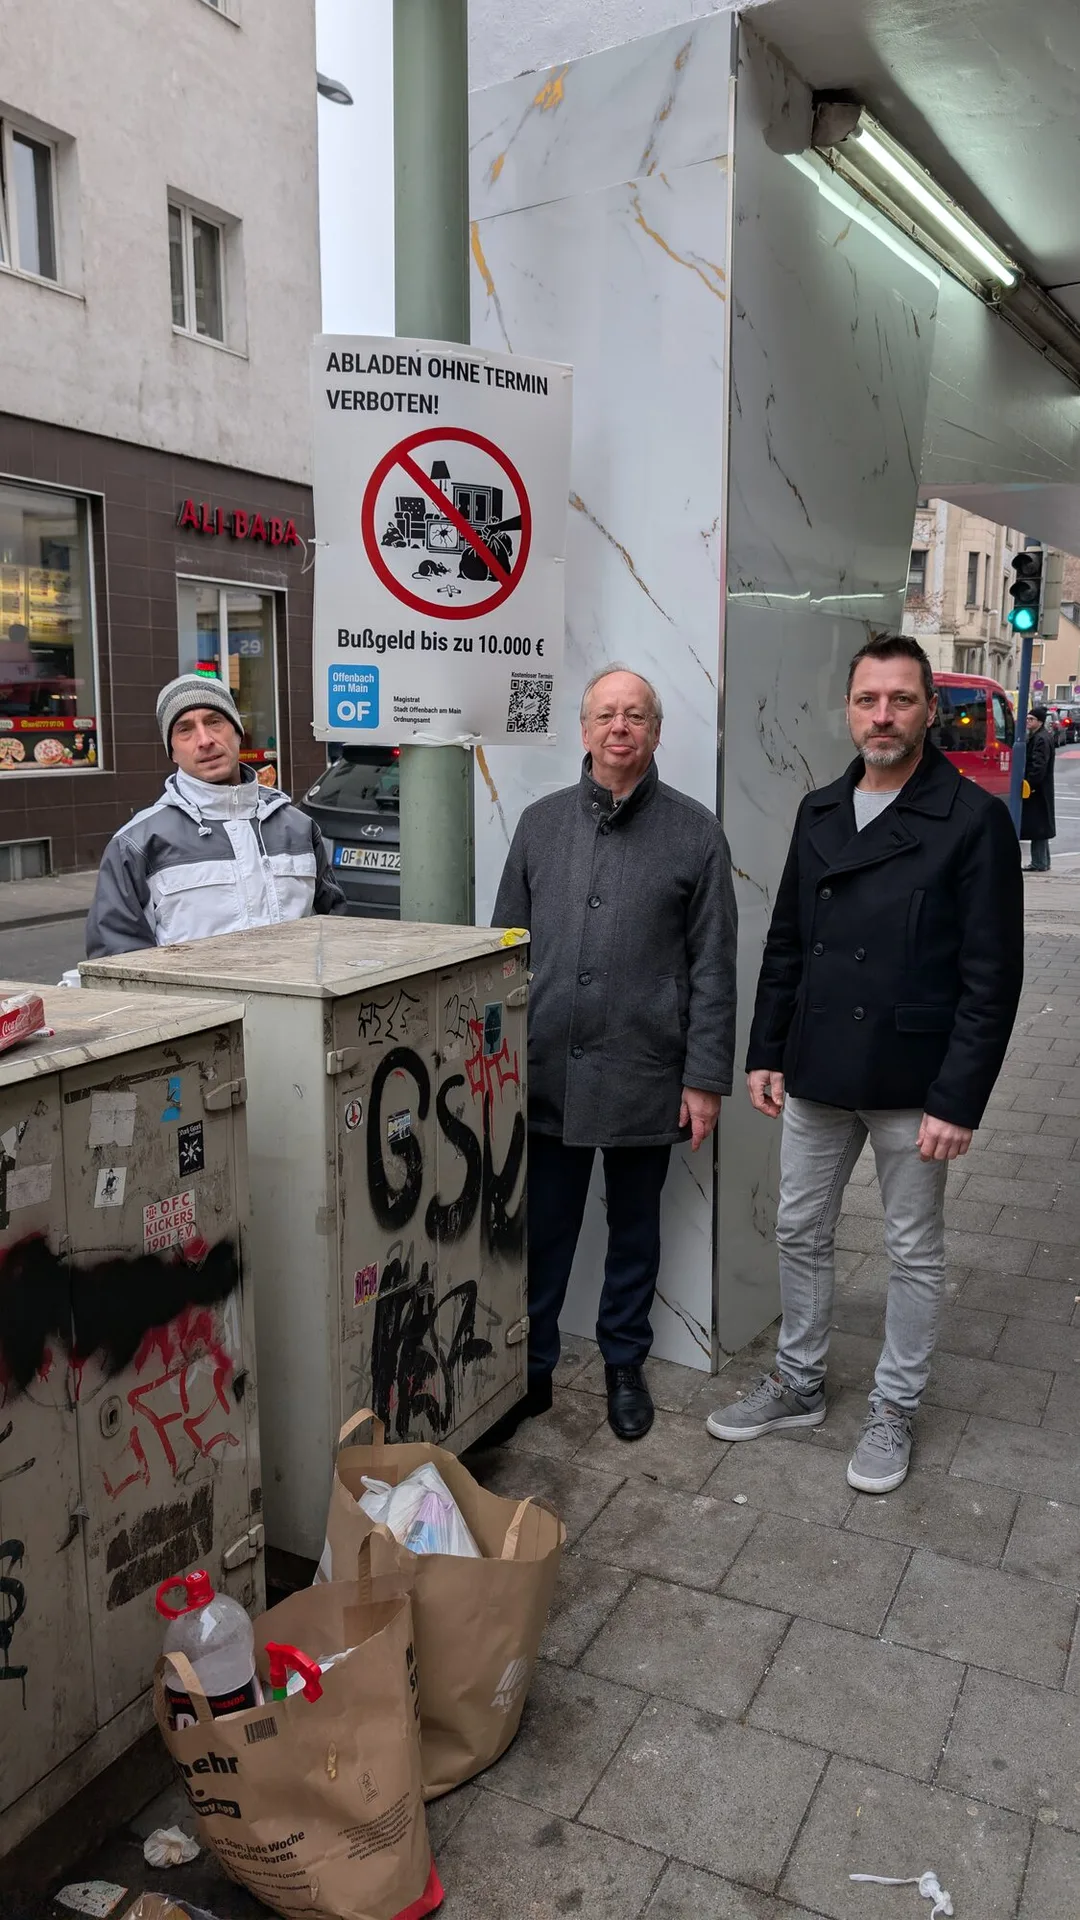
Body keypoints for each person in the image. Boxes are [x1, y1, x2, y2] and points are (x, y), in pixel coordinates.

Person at [706, 635, 1023, 1494]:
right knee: (800, 1228)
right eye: (868, 700)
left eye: (901, 700)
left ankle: (895, 1405)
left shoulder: (972, 820)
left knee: (911, 1249)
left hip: (913, 1082)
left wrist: (958, 1099)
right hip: (818, 1068)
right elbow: (786, 943)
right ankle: (799, 1381)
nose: (883, 716)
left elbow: (993, 977)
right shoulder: (819, 810)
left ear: (929, 710)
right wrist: (767, 1049)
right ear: (848, 710)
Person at [490, 665, 738, 1442]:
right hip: (548, 1070)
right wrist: (497, 1065)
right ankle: (530, 1369)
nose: (619, 727)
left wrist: (704, 1078)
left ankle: (624, 1364)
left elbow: (714, 967)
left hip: (646, 1070)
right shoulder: (540, 824)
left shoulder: (695, 833)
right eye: (606, 715)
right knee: (543, 1231)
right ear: (585, 729)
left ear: (656, 731)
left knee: (635, 1231)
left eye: (635, 715)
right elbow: (504, 953)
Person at [86, 673, 345, 955]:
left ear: (238, 732)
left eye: (214, 722)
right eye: (185, 729)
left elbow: (335, 933)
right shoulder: (136, 844)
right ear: (172, 752)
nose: (204, 740)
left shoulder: (298, 828)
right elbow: (117, 960)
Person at [1021, 705, 1056, 873]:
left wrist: (1030, 784)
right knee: (1041, 827)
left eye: (1031, 719)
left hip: (1038, 790)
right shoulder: (1041, 736)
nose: (1028, 721)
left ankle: (1039, 862)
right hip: (1042, 788)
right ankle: (1043, 861)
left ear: (1040, 722)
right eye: (1027, 718)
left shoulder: (1040, 739)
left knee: (1038, 828)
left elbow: (1038, 765)